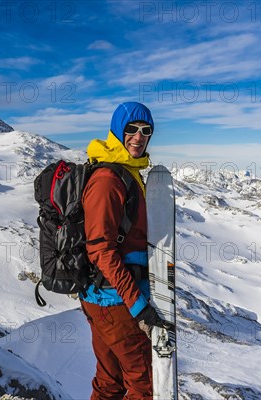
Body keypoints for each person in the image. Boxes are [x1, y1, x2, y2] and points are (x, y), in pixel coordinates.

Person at [80, 102, 168, 399]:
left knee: (109, 383)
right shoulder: (108, 180)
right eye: (131, 129)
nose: (139, 136)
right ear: (118, 130)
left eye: (146, 131)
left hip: (103, 298)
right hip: (116, 301)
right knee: (147, 385)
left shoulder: (127, 172)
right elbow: (100, 249)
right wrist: (138, 306)